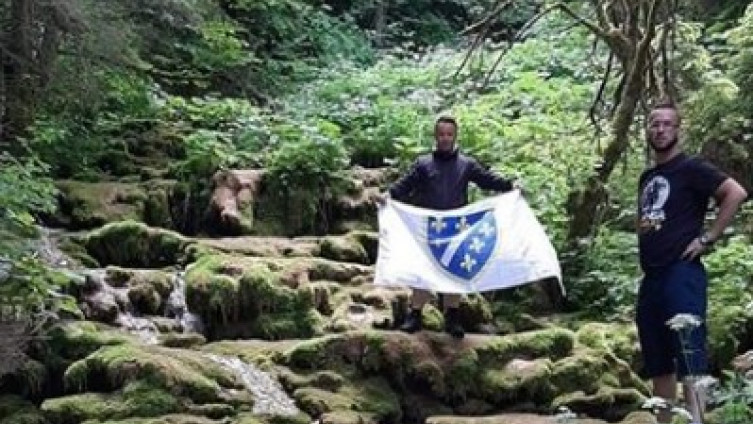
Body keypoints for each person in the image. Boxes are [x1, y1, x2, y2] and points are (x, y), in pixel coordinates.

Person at [636, 103, 748, 423]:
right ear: (648, 130)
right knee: (658, 362)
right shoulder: (648, 177)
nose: (660, 130)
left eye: (667, 124)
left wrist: (708, 238)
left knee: (689, 355)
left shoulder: (691, 168)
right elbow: (644, 220)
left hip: (681, 273)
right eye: (655, 124)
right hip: (652, 277)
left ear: (677, 130)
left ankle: (697, 420)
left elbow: (735, 193)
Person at [376, 115, 517, 339]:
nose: (445, 138)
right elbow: (405, 184)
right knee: (422, 270)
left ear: (455, 136)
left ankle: (452, 317)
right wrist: (389, 195)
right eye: (441, 134)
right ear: (436, 136)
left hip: (457, 229)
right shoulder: (423, 164)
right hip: (428, 229)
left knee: (454, 272)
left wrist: (510, 186)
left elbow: (487, 180)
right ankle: (415, 314)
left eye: (449, 134)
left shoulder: (467, 164)